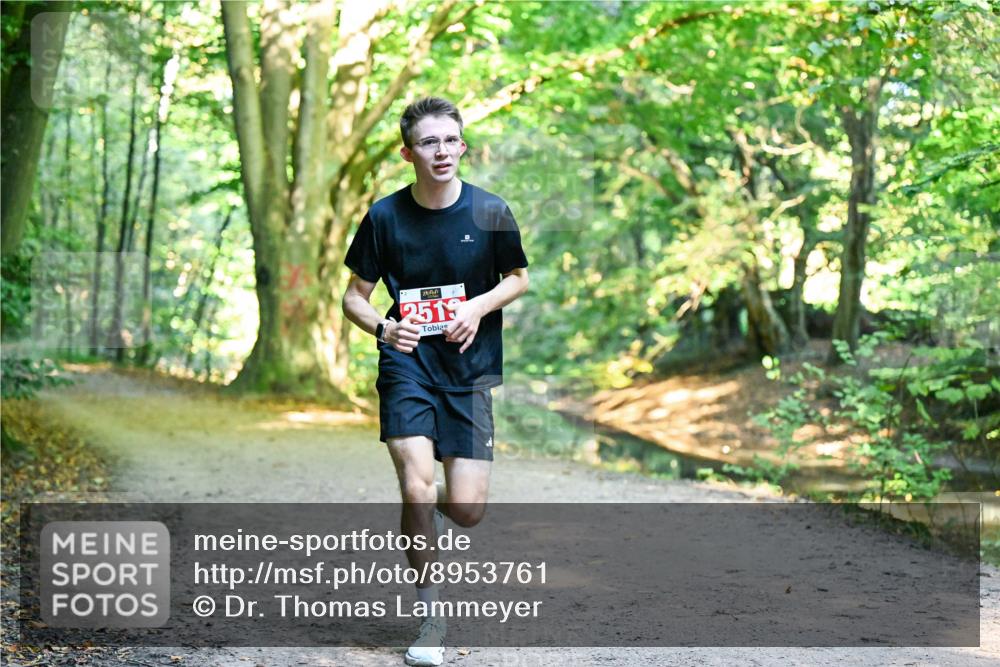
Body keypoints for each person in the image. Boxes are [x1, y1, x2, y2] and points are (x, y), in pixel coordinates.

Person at [341, 96, 529, 666]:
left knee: (467, 509)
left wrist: (476, 307)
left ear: (462, 146)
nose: (441, 151)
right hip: (408, 366)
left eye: (449, 140)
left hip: (469, 370)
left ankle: (420, 511)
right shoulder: (384, 217)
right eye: (428, 142)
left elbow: (517, 278)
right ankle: (431, 620)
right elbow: (354, 297)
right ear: (408, 153)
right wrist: (384, 328)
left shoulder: (490, 210)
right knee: (417, 486)